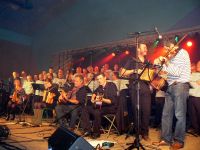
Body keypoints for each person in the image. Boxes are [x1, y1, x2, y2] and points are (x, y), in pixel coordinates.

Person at [155, 40, 191, 149]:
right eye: (165, 49)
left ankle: (179, 141)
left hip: (180, 86)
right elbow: (167, 72)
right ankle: (165, 139)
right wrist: (158, 65)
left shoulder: (182, 53)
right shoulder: (172, 57)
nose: (167, 51)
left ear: (174, 46)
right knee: (166, 114)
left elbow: (177, 72)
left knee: (179, 114)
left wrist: (167, 62)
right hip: (170, 87)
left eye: (168, 48)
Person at [120, 43, 152, 141]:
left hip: (146, 88)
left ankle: (145, 133)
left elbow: (150, 75)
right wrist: (134, 70)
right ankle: (138, 133)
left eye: (146, 47)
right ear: (138, 49)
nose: (146, 49)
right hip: (135, 88)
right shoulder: (131, 60)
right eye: (144, 47)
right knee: (137, 111)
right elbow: (122, 72)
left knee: (146, 111)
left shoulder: (147, 61)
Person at [80, 73, 118, 139]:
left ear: (105, 78)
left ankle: (96, 133)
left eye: (100, 78)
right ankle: (87, 130)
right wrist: (92, 98)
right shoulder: (100, 86)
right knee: (85, 108)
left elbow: (111, 101)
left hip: (111, 107)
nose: (99, 80)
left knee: (97, 111)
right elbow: (94, 93)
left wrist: (101, 99)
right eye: (98, 79)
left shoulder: (112, 85)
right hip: (101, 105)